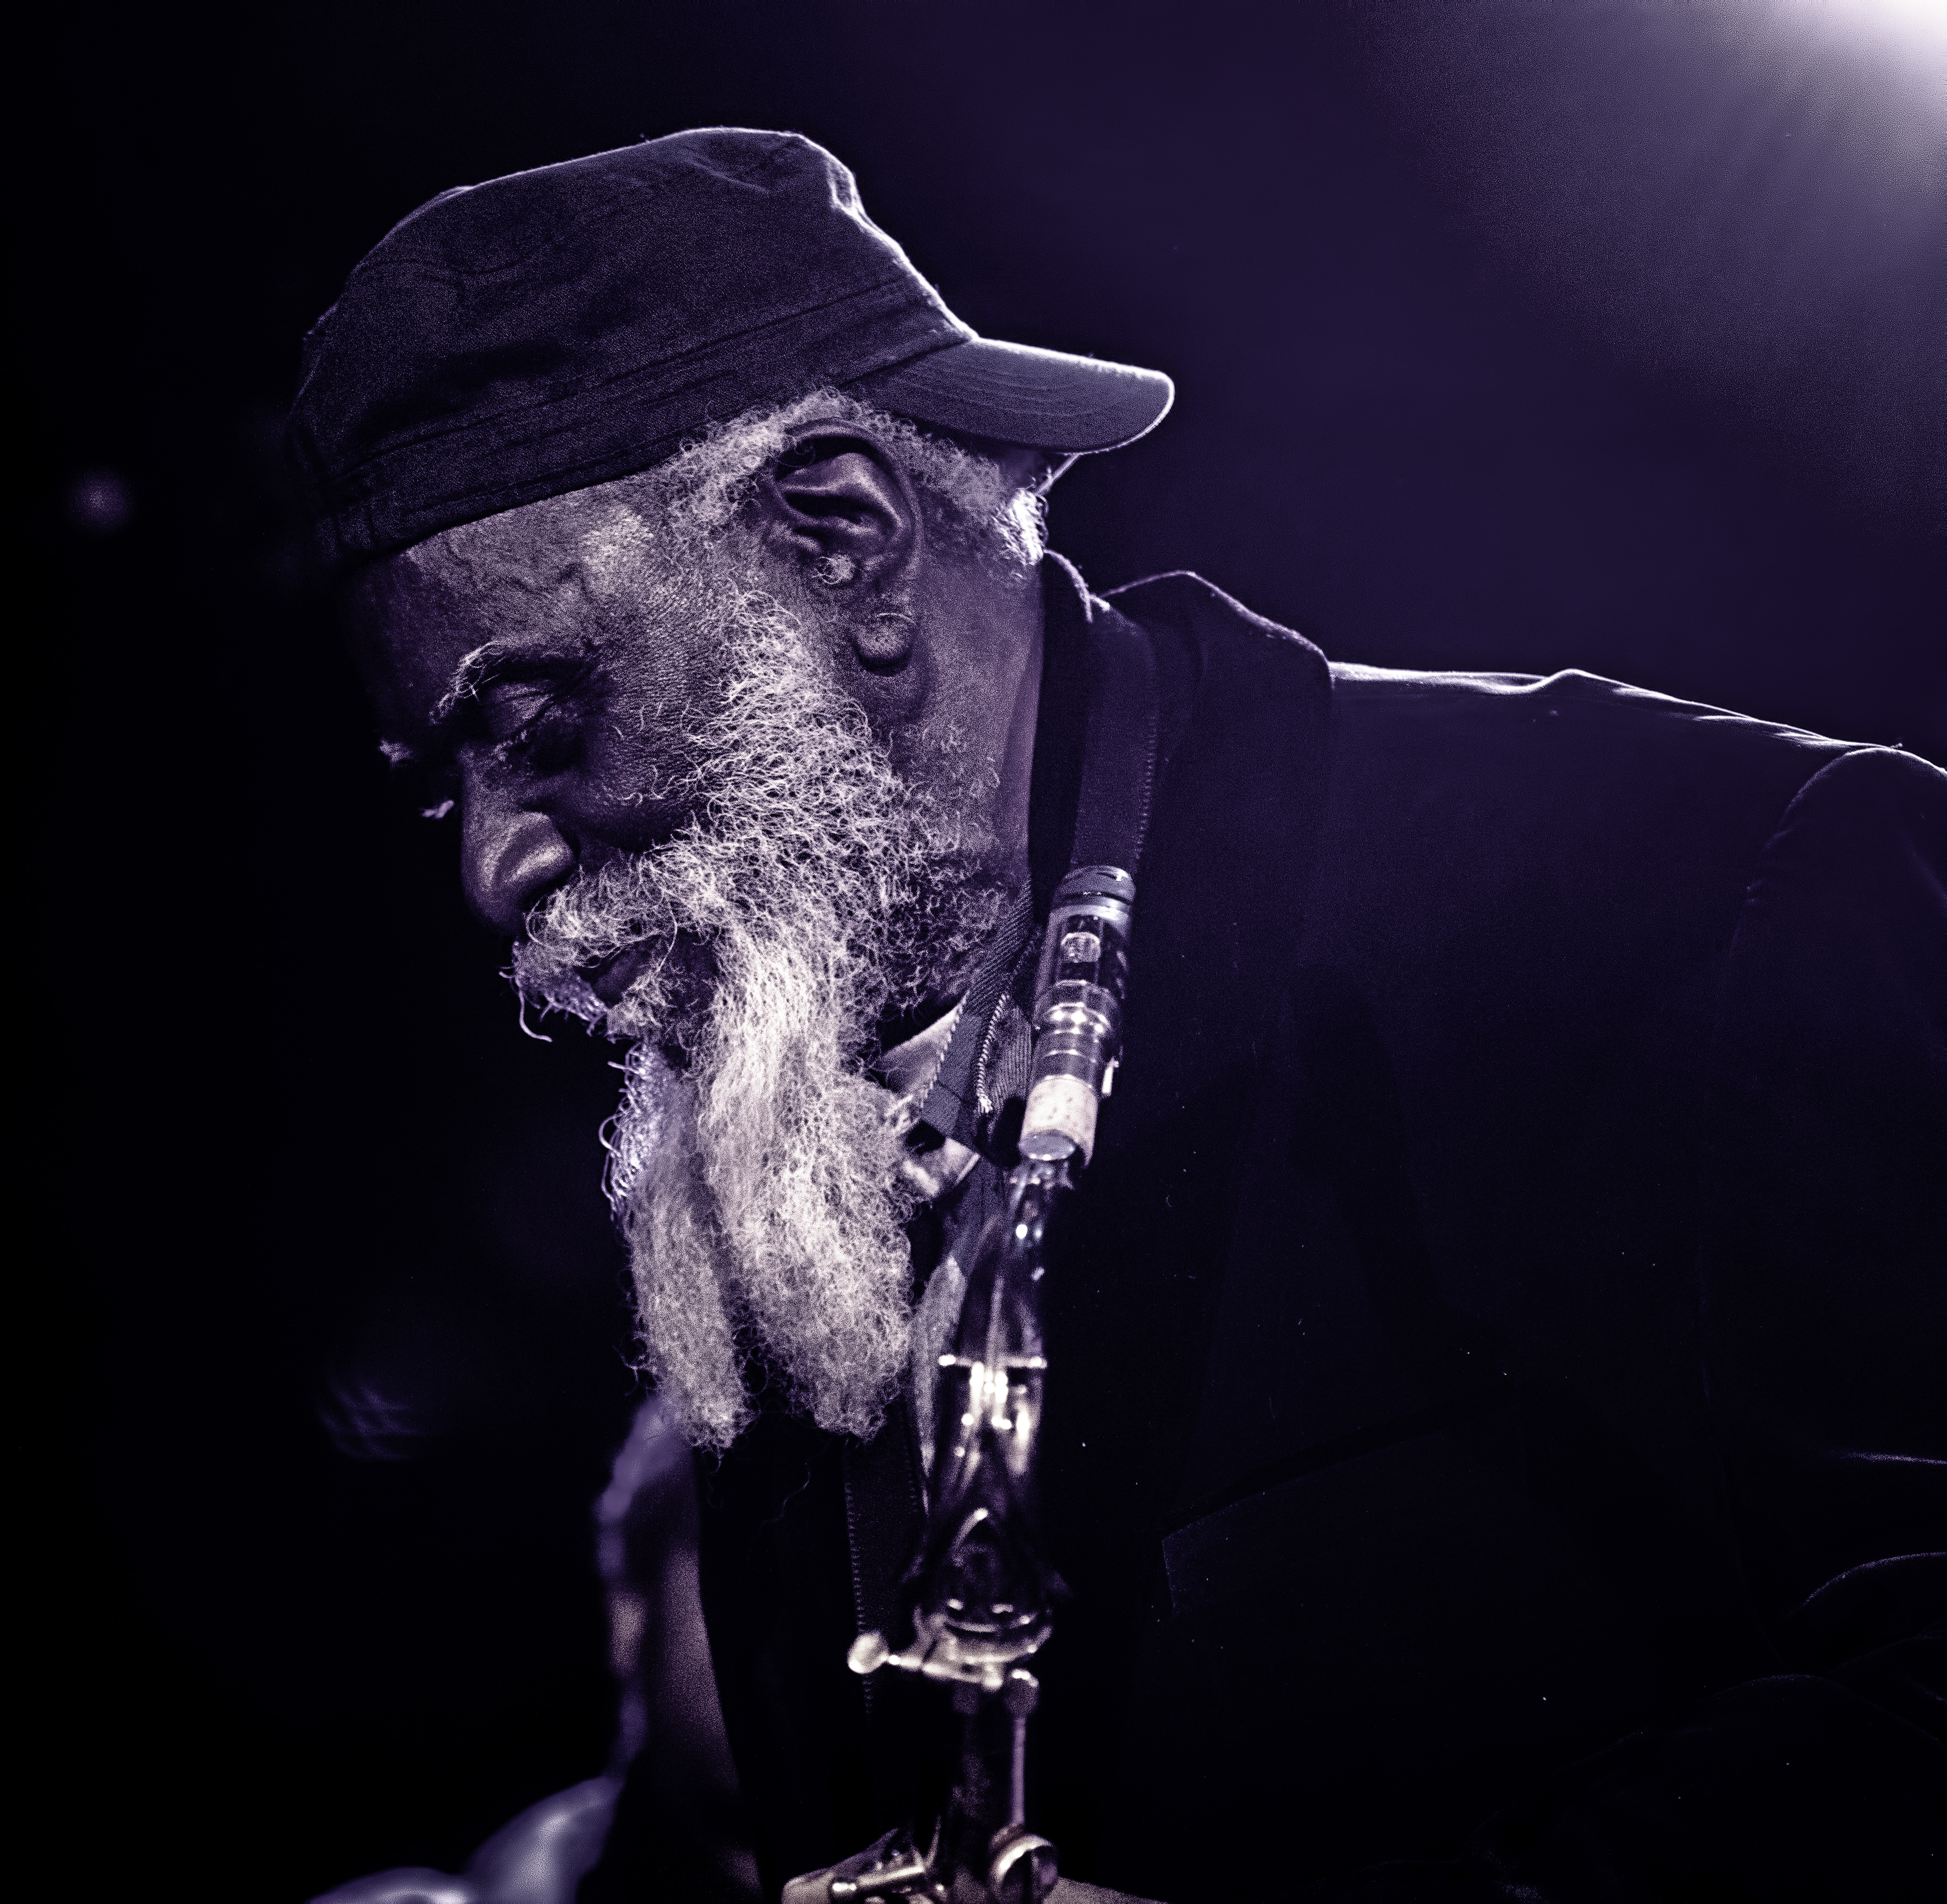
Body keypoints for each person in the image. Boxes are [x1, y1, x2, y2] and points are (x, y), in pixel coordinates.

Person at [293, 130, 1945, 1904]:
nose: (490, 871)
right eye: (436, 786)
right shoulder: (779, 1149)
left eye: (537, 725)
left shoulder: (1701, 878)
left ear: (838, 537)